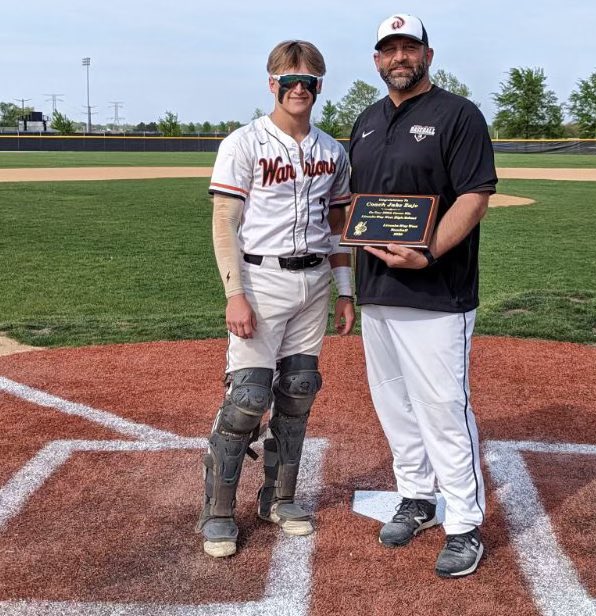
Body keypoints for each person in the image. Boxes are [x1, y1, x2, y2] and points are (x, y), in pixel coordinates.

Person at [349, 14, 497, 578]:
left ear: (428, 55)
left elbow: (475, 194)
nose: (399, 57)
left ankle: (463, 523)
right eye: (389, 49)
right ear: (377, 60)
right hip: (378, 290)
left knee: (442, 409)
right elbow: (356, 202)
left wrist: (430, 251)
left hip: (437, 290)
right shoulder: (366, 121)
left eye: (409, 47)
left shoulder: (458, 115)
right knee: (394, 404)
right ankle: (416, 497)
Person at [196, 40, 355, 558]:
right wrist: (234, 294)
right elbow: (225, 222)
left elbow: (336, 227)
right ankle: (218, 511)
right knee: (247, 398)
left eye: (308, 81)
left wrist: (345, 291)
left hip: (314, 284)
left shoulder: (333, 151)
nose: (299, 89)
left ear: (319, 87)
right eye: (289, 80)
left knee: (299, 390)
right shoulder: (244, 144)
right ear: (272, 84)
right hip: (260, 282)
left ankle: (278, 498)